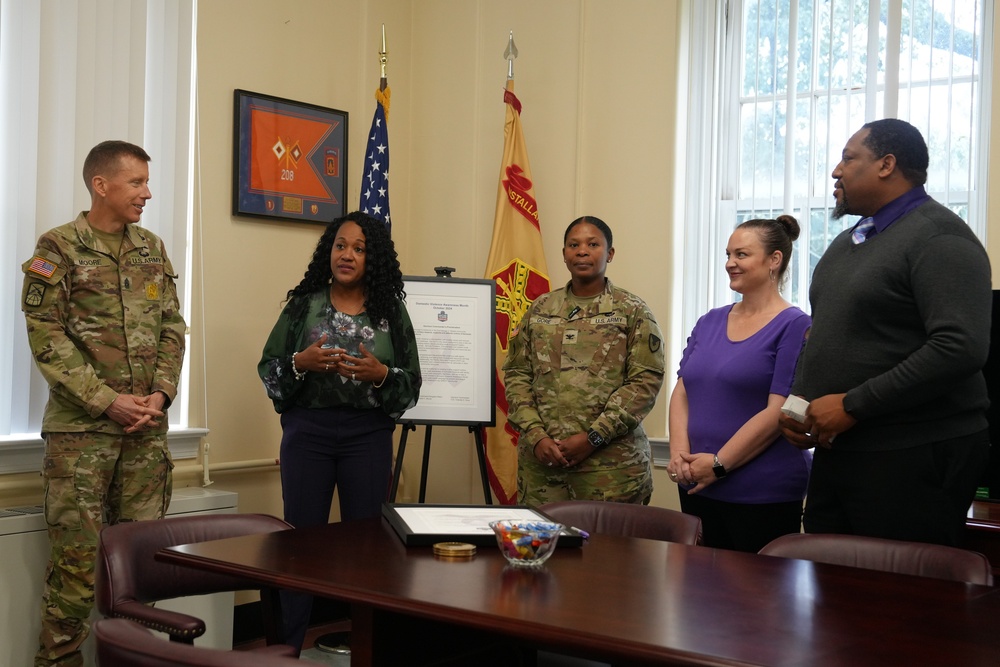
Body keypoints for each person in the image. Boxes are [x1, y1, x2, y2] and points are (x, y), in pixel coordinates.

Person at [779, 118, 992, 547]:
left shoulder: (940, 236)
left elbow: (959, 347)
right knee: (830, 591)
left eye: (848, 158)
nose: (836, 171)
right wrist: (798, 406)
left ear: (886, 164)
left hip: (914, 453)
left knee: (897, 600)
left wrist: (854, 405)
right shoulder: (848, 243)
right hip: (840, 450)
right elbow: (820, 334)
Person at [21, 140, 186, 667]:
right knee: (75, 574)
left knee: (139, 573)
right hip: (81, 438)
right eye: (136, 182)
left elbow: (172, 328)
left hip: (145, 434)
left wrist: (160, 394)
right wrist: (106, 401)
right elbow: (45, 336)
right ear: (101, 185)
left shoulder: (151, 248)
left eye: (146, 181)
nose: (147, 192)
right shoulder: (59, 247)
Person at [258, 211, 420, 649]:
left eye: (359, 248)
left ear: (375, 258)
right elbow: (269, 368)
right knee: (300, 544)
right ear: (328, 252)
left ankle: (368, 649)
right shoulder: (303, 305)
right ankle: (287, 648)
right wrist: (299, 363)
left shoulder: (391, 312)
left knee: (367, 546)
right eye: (340, 246)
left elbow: (412, 383)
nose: (347, 255)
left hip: (367, 437)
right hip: (307, 433)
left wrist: (381, 374)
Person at [667, 216, 812, 552]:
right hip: (695, 482)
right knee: (701, 594)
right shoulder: (710, 321)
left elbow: (779, 410)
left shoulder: (795, 325)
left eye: (742, 255)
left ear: (774, 259)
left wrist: (718, 464)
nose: (730, 263)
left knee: (754, 599)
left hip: (761, 491)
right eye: (728, 254)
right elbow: (683, 390)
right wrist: (678, 457)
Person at [503, 216, 665, 505]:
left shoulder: (632, 311)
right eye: (573, 245)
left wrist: (594, 437)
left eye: (593, 244)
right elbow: (517, 375)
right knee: (545, 548)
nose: (582, 251)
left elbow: (644, 383)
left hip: (611, 470)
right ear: (564, 253)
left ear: (610, 253)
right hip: (543, 469)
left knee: (611, 550)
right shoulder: (540, 308)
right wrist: (536, 435)